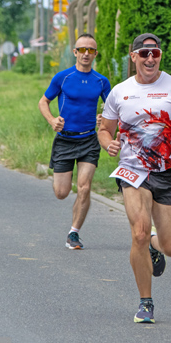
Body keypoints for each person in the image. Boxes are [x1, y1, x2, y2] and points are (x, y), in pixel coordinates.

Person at [98, 33, 171, 324]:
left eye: (155, 53)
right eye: (144, 53)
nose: (150, 58)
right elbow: (104, 129)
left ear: (160, 56)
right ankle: (145, 302)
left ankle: (152, 246)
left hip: (169, 172)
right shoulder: (120, 92)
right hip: (133, 171)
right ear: (133, 56)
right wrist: (107, 142)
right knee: (139, 231)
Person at [38, 34, 112, 250]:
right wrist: (52, 120)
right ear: (75, 52)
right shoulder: (63, 77)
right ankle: (73, 220)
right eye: (82, 49)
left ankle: (74, 233)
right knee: (61, 193)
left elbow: (112, 109)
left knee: (84, 187)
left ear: (95, 54)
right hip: (65, 140)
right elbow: (44, 101)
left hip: (89, 139)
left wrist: (103, 120)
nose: (86, 54)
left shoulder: (101, 81)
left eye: (91, 50)